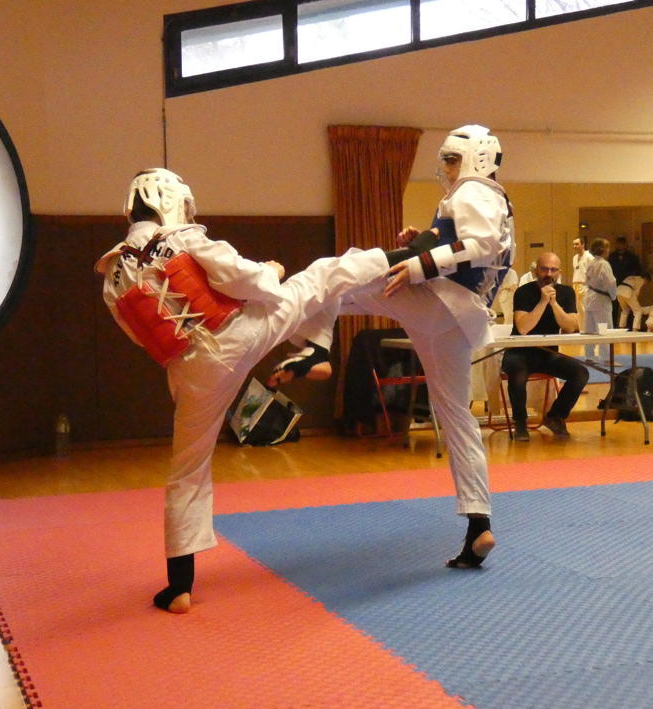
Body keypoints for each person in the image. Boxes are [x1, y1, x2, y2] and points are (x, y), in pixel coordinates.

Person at [95, 168, 429, 613]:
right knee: (323, 274)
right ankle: (407, 258)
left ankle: (179, 587)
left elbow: (141, 335)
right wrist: (270, 272)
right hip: (238, 335)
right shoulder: (185, 239)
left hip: (189, 371)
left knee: (187, 470)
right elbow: (246, 281)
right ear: (171, 200)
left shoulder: (113, 274)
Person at [274, 124, 514, 571]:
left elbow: (480, 246)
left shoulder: (475, 190)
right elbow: (470, 247)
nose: (447, 169)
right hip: (458, 321)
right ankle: (478, 524)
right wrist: (423, 242)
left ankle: (314, 347)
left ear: (477, 158)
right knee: (457, 418)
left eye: (452, 160)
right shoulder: (491, 201)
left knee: (335, 269)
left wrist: (421, 263)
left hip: (439, 302)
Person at [501, 252, 588, 441]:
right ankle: (520, 422)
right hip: (519, 352)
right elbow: (523, 328)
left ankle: (555, 416)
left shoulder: (566, 293)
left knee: (580, 373)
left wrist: (554, 303)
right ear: (535, 271)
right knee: (518, 372)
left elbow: (570, 327)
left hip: (548, 353)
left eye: (553, 270)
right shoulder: (523, 292)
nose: (549, 274)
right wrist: (542, 302)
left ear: (559, 272)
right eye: (544, 269)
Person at [582, 237, 617, 363]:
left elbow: (586, 279)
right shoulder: (603, 264)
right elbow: (611, 282)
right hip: (601, 299)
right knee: (604, 329)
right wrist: (613, 296)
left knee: (590, 329)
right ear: (603, 249)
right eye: (607, 248)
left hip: (590, 296)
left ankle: (589, 356)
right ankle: (606, 358)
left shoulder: (592, 262)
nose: (609, 250)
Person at [607, 236, 643, 325]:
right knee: (614, 306)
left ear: (625, 245)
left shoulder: (632, 257)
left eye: (622, 244)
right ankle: (613, 326)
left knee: (629, 306)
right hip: (614, 284)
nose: (620, 246)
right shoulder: (612, 256)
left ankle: (630, 325)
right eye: (618, 244)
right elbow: (609, 270)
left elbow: (637, 270)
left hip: (627, 284)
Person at [571, 237, 593, 329]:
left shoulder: (589, 257)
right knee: (579, 309)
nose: (574, 246)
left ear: (583, 245)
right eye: (573, 244)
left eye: (577, 244)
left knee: (586, 308)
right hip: (576, 285)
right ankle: (582, 329)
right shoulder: (575, 258)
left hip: (585, 285)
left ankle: (589, 328)